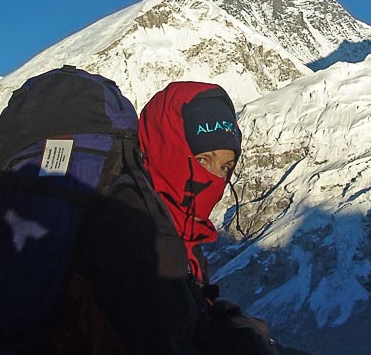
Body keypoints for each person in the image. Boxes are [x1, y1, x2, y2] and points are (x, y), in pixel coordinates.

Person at [56, 81, 276, 354]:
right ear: (168, 146)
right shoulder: (137, 228)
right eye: (203, 159)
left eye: (225, 167)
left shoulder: (174, 227)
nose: (216, 179)